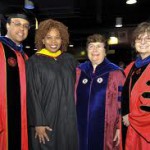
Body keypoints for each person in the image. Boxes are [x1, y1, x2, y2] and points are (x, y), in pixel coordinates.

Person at [26, 19, 78, 150]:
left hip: (69, 118)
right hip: (47, 119)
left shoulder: (70, 60)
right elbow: (32, 93)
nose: (53, 42)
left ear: (63, 40)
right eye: (49, 38)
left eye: (57, 38)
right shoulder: (34, 62)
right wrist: (38, 122)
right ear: (42, 40)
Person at [75, 34, 125, 150]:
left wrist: (119, 127)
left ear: (105, 51)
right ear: (87, 50)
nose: (95, 50)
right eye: (91, 46)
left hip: (107, 128)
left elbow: (121, 103)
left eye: (99, 46)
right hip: (79, 127)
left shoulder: (115, 73)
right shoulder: (79, 71)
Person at [0, 11, 30, 150]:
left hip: (21, 119)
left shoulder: (25, 57)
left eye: (26, 25)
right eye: (17, 24)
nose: (22, 29)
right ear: (7, 25)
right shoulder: (0, 48)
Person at [122, 22, 150, 150]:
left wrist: (132, 118)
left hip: (144, 130)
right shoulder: (130, 68)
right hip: (129, 130)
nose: (143, 42)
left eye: (148, 38)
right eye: (139, 38)